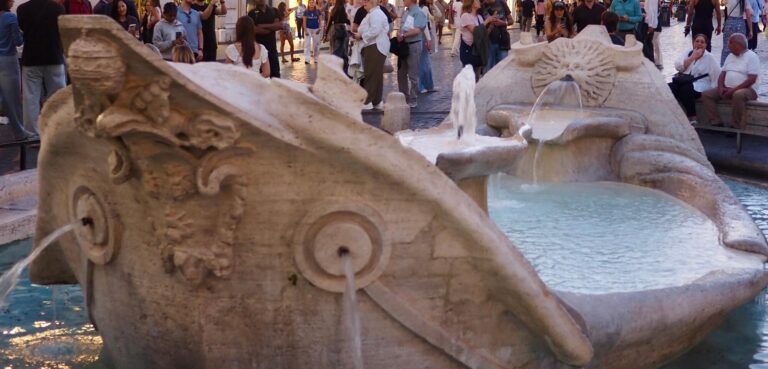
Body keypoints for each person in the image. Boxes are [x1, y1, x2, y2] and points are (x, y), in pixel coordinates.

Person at [17, 0, 66, 136]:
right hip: (54, 56)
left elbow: (23, 29)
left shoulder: (22, 9)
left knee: (30, 99)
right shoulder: (58, 9)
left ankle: (32, 135)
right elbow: (61, 31)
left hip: (31, 57)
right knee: (57, 97)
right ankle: (56, 131)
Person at [701, 33, 759, 129]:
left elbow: (752, 79)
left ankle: (735, 125)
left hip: (748, 89)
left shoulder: (752, 57)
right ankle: (716, 122)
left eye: (730, 43)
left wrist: (732, 90)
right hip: (728, 88)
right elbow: (722, 73)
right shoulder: (730, 56)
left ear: (738, 44)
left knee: (738, 95)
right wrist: (720, 87)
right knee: (706, 94)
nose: (728, 45)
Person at [0, 0, 33, 141]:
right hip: (7, 60)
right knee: (12, 99)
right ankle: (20, 132)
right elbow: (18, 41)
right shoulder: (10, 17)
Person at [669, 34, 720, 122]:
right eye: (697, 41)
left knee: (686, 89)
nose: (699, 44)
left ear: (706, 45)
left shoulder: (710, 58)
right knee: (669, 88)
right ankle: (672, 114)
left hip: (701, 85)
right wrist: (692, 57)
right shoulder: (688, 52)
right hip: (684, 80)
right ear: (693, 43)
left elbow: (717, 74)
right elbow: (678, 66)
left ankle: (692, 116)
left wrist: (714, 91)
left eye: (702, 42)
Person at [354, 0, 390, 109]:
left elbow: (375, 30)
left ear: (372, 2)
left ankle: (368, 101)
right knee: (376, 75)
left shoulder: (376, 14)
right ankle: (376, 101)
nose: (364, 3)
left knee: (371, 74)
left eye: (366, 1)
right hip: (373, 46)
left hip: (375, 46)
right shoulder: (372, 13)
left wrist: (361, 36)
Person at [398, 0, 428, 107]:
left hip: (414, 45)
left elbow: (417, 30)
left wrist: (403, 35)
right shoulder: (406, 12)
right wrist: (400, 34)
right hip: (404, 45)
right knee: (401, 73)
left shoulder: (419, 12)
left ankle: (413, 99)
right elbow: (402, 27)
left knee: (413, 74)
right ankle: (403, 97)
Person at [248, 0, 282, 77]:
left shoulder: (274, 11)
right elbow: (255, 30)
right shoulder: (251, 13)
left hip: (272, 49)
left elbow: (279, 25)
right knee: (261, 76)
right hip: (258, 51)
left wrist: (262, 26)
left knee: (275, 75)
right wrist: (272, 28)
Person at [481, 0, 512, 70]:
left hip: (503, 42)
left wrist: (503, 23)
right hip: (488, 43)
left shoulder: (502, 3)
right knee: (488, 71)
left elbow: (511, 20)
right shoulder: (481, 6)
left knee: (502, 70)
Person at [719, 0, 752, 64]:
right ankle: (741, 65)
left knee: (726, 47)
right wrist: (751, 30)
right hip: (740, 24)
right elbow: (748, 15)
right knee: (742, 47)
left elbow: (723, 4)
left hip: (729, 23)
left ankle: (724, 66)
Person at [324, 0, 350, 73]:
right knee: (341, 49)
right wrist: (350, 20)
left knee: (337, 48)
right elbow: (344, 20)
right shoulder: (342, 8)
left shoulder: (334, 9)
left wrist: (326, 33)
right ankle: (341, 67)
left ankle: (340, 67)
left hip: (334, 29)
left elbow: (330, 21)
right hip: (341, 29)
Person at [419, 0, 436, 93]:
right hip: (424, 36)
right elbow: (424, 24)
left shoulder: (423, 8)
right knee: (424, 62)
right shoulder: (425, 8)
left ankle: (425, 85)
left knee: (424, 61)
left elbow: (438, 15)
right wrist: (428, 39)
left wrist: (433, 5)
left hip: (422, 36)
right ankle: (425, 85)